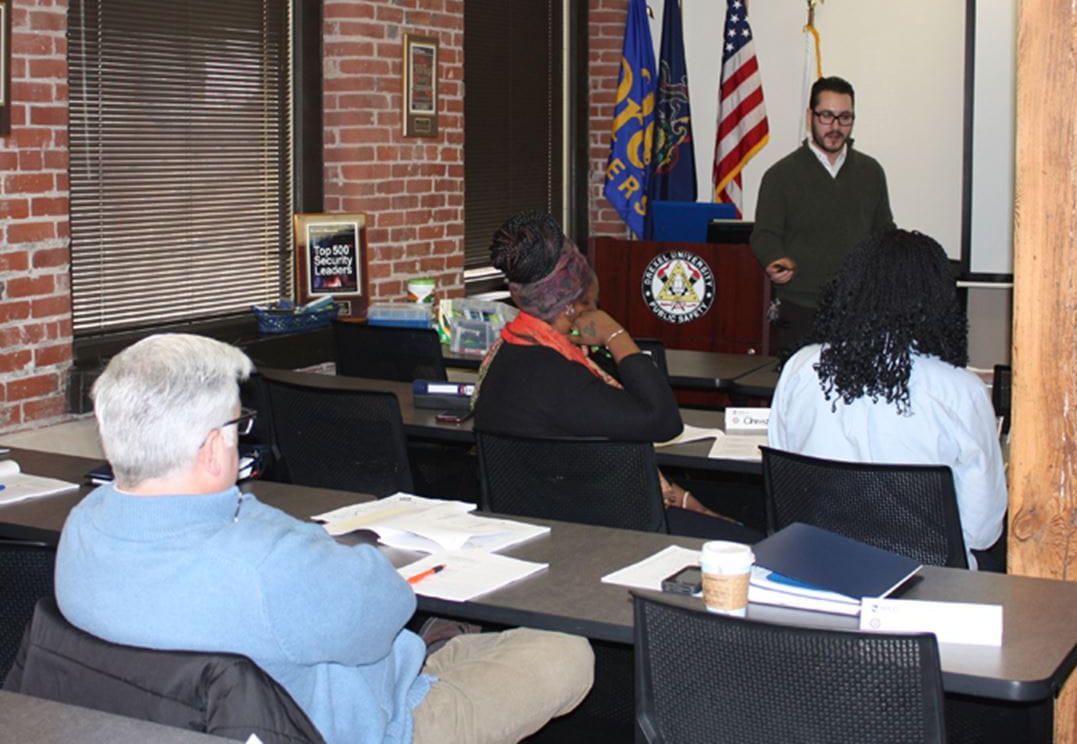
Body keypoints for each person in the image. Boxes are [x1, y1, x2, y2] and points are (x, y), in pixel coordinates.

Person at [56, 333, 593, 744]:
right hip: (371, 724)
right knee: (566, 653)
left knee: (447, 645)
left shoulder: (84, 525)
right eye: (237, 426)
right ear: (213, 448)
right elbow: (388, 606)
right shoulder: (265, 565)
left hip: (188, 717)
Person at [473, 210, 760, 543]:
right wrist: (615, 335)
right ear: (571, 307)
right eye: (591, 300)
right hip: (609, 537)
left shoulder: (505, 355)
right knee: (754, 542)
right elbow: (664, 421)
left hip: (538, 528)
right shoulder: (564, 380)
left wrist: (680, 497)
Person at [767, 229, 1008, 569]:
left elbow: (785, 482)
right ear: (938, 299)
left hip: (817, 567)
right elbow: (981, 532)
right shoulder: (960, 390)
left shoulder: (801, 367)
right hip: (924, 582)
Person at [750, 75, 894, 359]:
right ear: (810, 117)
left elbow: (884, 232)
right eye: (827, 116)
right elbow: (765, 235)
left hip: (858, 310)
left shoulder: (871, 172)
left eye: (845, 118)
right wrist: (774, 259)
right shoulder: (781, 175)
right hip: (800, 308)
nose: (836, 127)